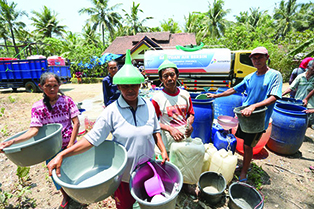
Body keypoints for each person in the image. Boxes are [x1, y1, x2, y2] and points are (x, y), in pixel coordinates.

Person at [47, 50, 168, 209]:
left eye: (134, 85)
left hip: (147, 169)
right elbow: (91, 140)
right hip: (123, 175)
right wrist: (63, 154)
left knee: (149, 202)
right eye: (125, 86)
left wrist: (163, 150)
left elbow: (155, 130)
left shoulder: (149, 106)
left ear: (140, 85)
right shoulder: (111, 111)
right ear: (118, 86)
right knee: (125, 205)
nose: (130, 89)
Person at [0, 72, 80, 209]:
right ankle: (66, 196)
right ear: (41, 86)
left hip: (69, 145)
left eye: (55, 85)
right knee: (56, 174)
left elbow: (76, 123)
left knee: (75, 170)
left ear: (59, 85)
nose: (52, 89)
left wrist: (71, 144)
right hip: (50, 150)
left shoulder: (67, 101)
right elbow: (33, 130)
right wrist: (12, 142)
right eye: (48, 86)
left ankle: (78, 195)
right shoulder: (38, 107)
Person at [207, 46, 282, 182]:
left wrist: (254, 106)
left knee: (248, 145)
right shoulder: (250, 77)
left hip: (258, 119)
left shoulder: (274, 75)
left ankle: (244, 172)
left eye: (260, 57)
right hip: (245, 116)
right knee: (243, 142)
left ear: (267, 58)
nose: (257, 60)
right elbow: (234, 89)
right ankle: (245, 164)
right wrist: (216, 95)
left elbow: (274, 97)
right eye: (254, 58)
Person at [151, 56, 195, 195]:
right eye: (165, 76)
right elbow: (152, 121)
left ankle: (186, 185)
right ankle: (170, 186)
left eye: (172, 75)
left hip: (184, 138)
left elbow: (191, 114)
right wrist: (170, 128)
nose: (169, 78)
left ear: (177, 76)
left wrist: (189, 124)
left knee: (186, 161)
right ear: (161, 79)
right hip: (167, 139)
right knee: (169, 162)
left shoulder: (185, 95)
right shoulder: (157, 98)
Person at [285, 60, 314, 127]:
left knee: (305, 125)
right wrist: (280, 95)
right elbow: (291, 87)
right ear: (307, 67)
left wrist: (306, 99)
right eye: (313, 67)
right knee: (294, 124)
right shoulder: (300, 76)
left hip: (310, 107)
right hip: (298, 104)